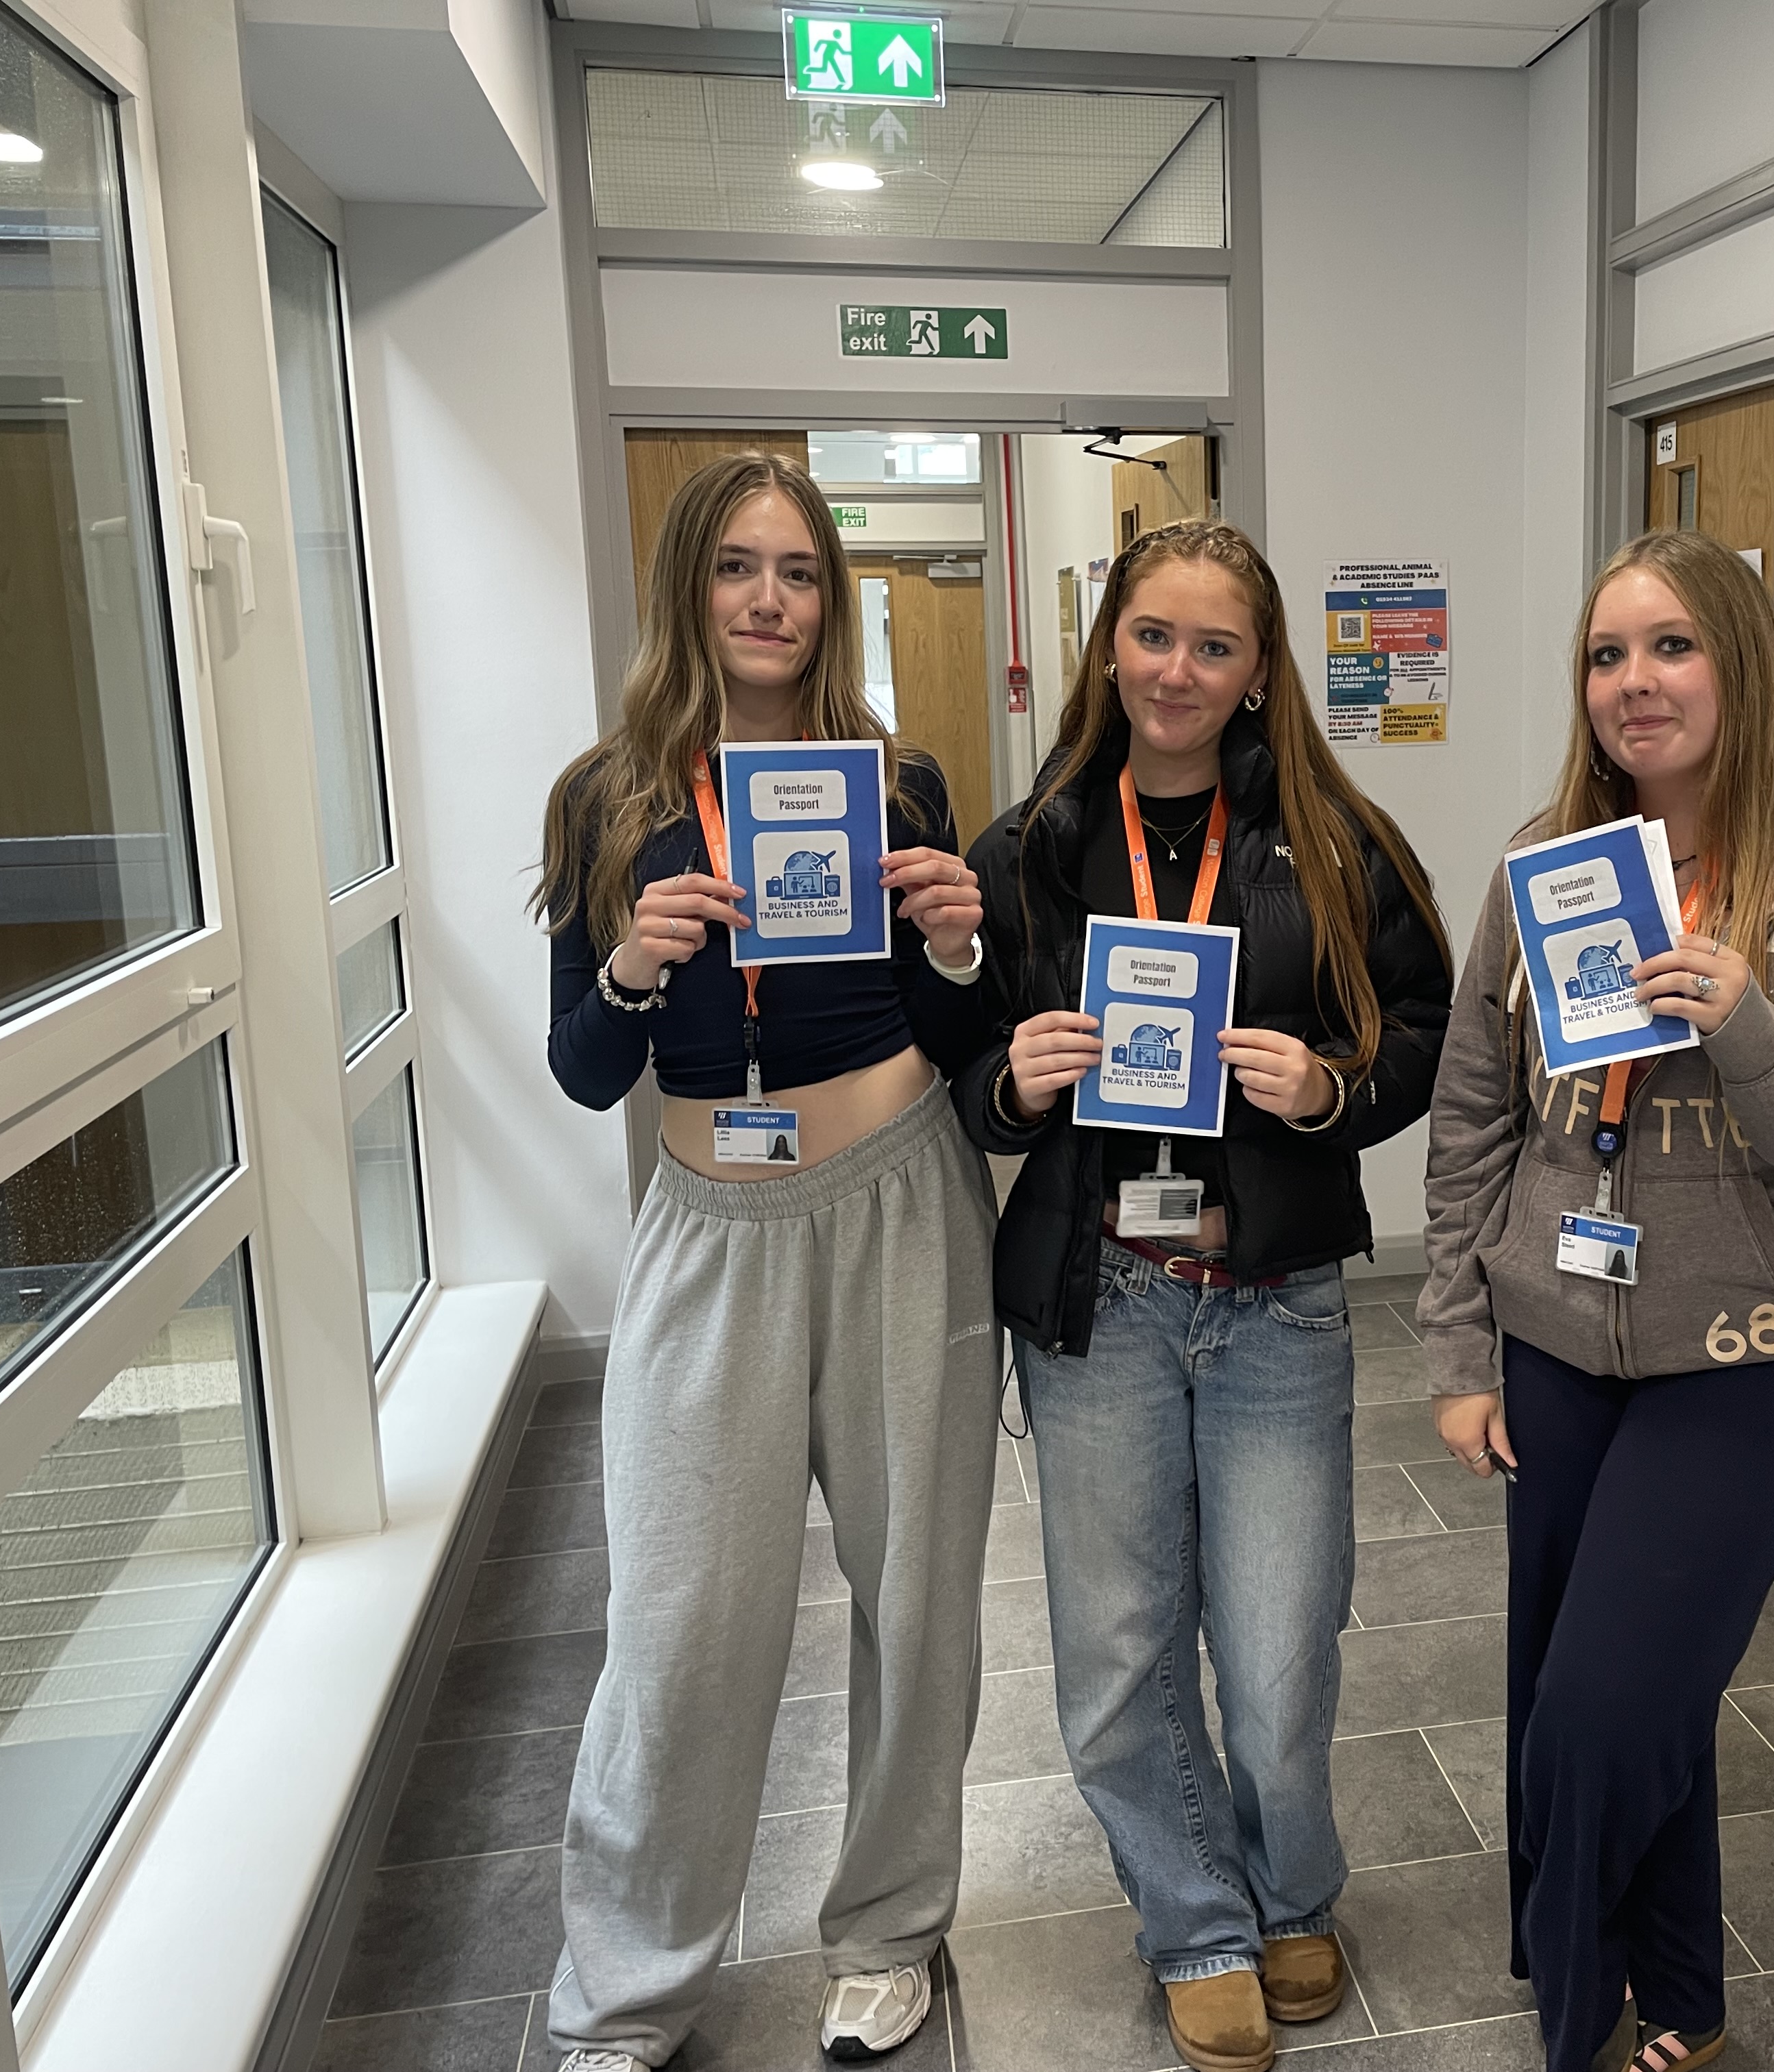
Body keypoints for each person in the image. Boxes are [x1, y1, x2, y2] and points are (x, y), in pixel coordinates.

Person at [1418, 530, 1774, 2072]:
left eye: (1670, 648)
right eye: (1607, 656)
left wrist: (1752, 1032)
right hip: (1557, 1336)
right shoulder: (1549, 866)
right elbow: (1477, 1117)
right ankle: (1690, 2003)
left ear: (1739, 662)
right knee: (1593, 1687)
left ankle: (1575, 2012)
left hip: (1760, 1353)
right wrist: (1464, 1344)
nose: (1634, 684)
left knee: (1601, 1709)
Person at [953, 520, 1453, 2072]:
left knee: (1284, 1638)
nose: (1180, 670)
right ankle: (1199, 1921)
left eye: (1215, 645)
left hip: (1273, 1296)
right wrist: (1016, 1088)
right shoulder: (1028, 842)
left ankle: (1295, 1887)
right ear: (1112, 647)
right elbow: (961, 1075)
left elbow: (1430, 1031)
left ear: (1258, 671)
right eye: (1154, 636)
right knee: (1116, 1646)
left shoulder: (1335, 834)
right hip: (1099, 1295)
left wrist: (1329, 1091)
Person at [530, 452, 1001, 2071]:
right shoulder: (611, 800)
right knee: (678, 1617)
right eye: (740, 568)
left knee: (916, 1596)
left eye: (799, 572)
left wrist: (954, 943)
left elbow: (958, 1042)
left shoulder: (900, 780)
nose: (770, 601)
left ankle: (888, 1934)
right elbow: (586, 1069)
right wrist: (633, 965)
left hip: (894, 1200)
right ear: (691, 586)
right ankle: (631, 1984)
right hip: (705, 1227)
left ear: (832, 600)